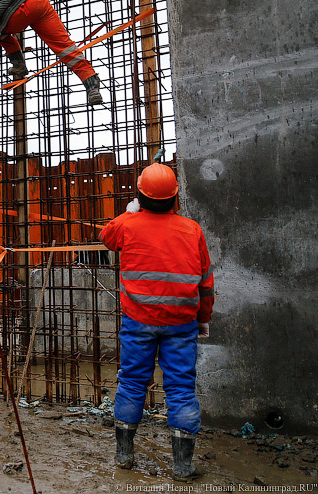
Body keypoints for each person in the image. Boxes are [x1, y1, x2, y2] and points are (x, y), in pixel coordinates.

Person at [99, 163, 214, 480]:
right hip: (181, 324)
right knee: (181, 389)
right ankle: (182, 466)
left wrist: (130, 212)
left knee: (132, 383)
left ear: (140, 196)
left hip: (138, 322)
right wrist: (203, 319)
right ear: (175, 197)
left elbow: (106, 235)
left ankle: (124, 456)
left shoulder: (129, 226)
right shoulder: (192, 230)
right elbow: (205, 283)